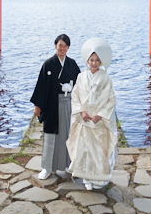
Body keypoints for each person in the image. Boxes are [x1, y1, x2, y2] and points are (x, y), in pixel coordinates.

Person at [66, 37, 118, 190]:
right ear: (87, 61)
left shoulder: (106, 78)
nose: (94, 63)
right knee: (85, 150)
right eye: (91, 60)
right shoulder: (81, 77)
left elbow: (111, 99)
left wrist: (101, 114)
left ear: (101, 61)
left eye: (97, 60)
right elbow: (75, 96)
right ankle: (87, 178)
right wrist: (81, 112)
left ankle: (100, 178)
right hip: (85, 119)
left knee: (99, 150)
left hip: (98, 120)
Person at [30, 34, 81, 180]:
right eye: (60, 45)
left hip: (69, 104)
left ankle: (68, 165)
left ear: (68, 48)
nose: (62, 48)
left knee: (68, 135)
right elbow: (41, 86)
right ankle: (47, 168)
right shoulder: (48, 64)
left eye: (65, 46)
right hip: (52, 105)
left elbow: (80, 85)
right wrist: (37, 106)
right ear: (55, 46)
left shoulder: (72, 64)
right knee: (51, 136)